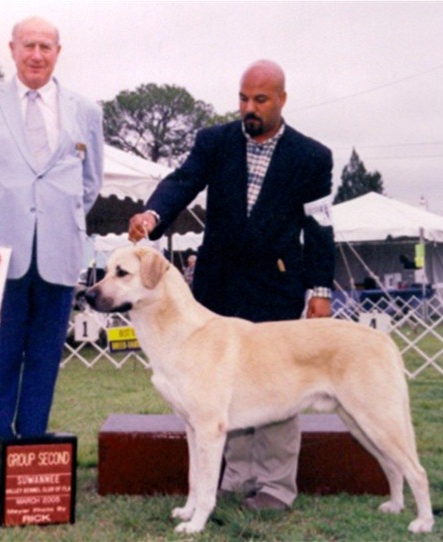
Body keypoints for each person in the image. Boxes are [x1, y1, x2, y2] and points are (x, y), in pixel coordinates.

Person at [129, 60, 335, 512]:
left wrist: (319, 289)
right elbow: (182, 182)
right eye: (243, 98)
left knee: (278, 386)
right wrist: (153, 216)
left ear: (282, 99)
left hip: (276, 285)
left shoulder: (312, 157)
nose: (249, 108)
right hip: (218, 285)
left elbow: (319, 227)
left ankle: (277, 487)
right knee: (219, 388)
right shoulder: (214, 142)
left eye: (260, 99)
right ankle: (237, 479)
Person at [0, 16, 103, 514]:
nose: (37, 54)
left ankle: (32, 463)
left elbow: (90, 183)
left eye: (46, 46)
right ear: (12, 50)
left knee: (43, 366)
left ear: (59, 51)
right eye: (28, 46)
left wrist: (60, 218)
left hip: (59, 254)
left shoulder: (86, 110)